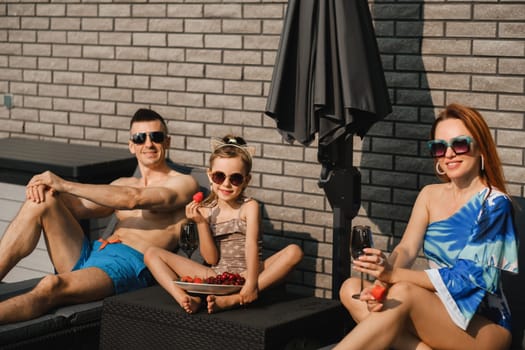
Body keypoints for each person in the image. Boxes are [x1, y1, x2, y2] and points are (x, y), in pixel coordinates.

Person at [336, 103, 519, 350]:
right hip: (440, 309)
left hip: (485, 325)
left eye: (460, 144)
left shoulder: (496, 205)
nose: (450, 154)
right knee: (352, 289)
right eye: (439, 147)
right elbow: (408, 248)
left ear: (481, 148)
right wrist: (380, 286)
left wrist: (393, 276)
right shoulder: (429, 195)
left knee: (403, 292)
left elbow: (467, 278)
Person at [0, 108, 198, 324]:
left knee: (51, 285)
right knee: (41, 201)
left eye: (156, 137)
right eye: (140, 138)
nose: (148, 144)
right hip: (92, 252)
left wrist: (64, 183)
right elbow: (78, 207)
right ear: (132, 145)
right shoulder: (121, 184)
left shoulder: (183, 183)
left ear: (167, 142)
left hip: (129, 263)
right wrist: (44, 187)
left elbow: (134, 199)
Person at [144, 135, 303, 314]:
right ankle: (186, 297)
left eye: (235, 178)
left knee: (294, 252)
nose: (226, 184)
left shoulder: (249, 206)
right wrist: (201, 223)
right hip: (215, 276)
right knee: (151, 253)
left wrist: (250, 283)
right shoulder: (206, 209)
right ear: (210, 176)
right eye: (219, 176)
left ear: (246, 180)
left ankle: (235, 299)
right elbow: (211, 259)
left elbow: (252, 245)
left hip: (246, 273)